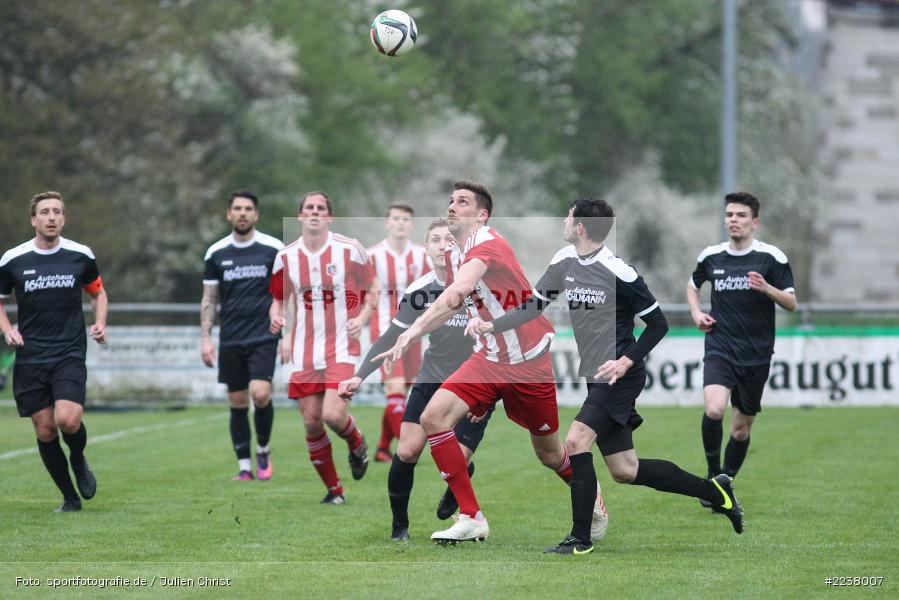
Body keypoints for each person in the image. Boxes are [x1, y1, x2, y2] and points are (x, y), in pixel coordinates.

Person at [468, 198, 744, 555]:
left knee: (576, 440)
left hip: (619, 377)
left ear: (580, 226)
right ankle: (715, 492)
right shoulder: (563, 261)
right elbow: (533, 307)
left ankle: (580, 540)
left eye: (568, 217)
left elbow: (658, 324)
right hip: (595, 376)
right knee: (625, 469)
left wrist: (627, 361)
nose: (564, 222)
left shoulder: (619, 272)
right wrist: (491, 325)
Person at [375, 180, 584, 544]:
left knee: (550, 455)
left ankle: (591, 500)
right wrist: (418, 330)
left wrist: (411, 333)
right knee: (432, 417)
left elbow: (455, 292)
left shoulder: (486, 242)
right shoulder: (457, 252)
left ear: (481, 214)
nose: (452, 206)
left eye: (462, 201)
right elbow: (460, 302)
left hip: (528, 363)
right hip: (490, 357)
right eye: (450, 200)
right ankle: (472, 517)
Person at [339, 218, 493, 541]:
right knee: (407, 451)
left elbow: (499, 341)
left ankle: (462, 487)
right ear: (426, 248)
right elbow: (391, 337)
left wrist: (487, 396)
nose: (442, 245)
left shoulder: (480, 286)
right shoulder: (419, 291)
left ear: (459, 246)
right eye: (435, 240)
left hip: (474, 384)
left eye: (448, 239)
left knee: (456, 459)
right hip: (432, 378)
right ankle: (399, 529)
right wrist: (358, 375)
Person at [0, 191, 107, 512]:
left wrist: (100, 322)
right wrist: (8, 329)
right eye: (44, 212)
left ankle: (77, 457)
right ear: (33, 219)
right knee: (45, 429)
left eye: (56, 212)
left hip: (69, 351)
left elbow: (98, 293)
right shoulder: (12, 259)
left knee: (68, 420)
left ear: (63, 218)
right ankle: (70, 498)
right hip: (31, 356)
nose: (50, 217)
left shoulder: (80, 255)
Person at [687, 192, 796, 503]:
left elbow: (791, 302)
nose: (733, 219)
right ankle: (711, 477)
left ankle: (725, 483)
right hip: (720, 346)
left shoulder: (772, 258)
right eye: (729, 214)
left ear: (755, 222)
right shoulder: (711, 256)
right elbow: (693, 286)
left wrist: (766, 288)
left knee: (740, 430)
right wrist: (697, 313)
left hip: (756, 354)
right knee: (714, 408)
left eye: (740, 215)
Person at [268, 191, 376, 504]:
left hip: (343, 346)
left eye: (321, 208)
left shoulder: (349, 249)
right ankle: (334, 491)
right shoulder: (285, 256)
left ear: (329, 217)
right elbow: (279, 300)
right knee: (311, 420)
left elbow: (373, 290)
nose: (314, 212)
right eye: (309, 208)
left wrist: (364, 318)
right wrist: (279, 324)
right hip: (304, 349)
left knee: (331, 414)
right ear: (300, 216)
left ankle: (356, 442)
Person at [201, 190, 283, 481]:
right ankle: (245, 467)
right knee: (237, 401)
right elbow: (209, 299)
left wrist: (287, 332)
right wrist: (206, 338)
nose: (243, 213)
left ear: (256, 215)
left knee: (260, 394)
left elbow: (286, 293)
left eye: (248, 208)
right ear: (229, 214)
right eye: (237, 208)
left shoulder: (273, 249)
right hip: (231, 338)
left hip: (264, 335)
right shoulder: (216, 253)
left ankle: (262, 448)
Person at [365, 204, 431, 462]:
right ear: (387, 223)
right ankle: (406, 449)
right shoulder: (372, 256)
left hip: (414, 333)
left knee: (403, 392)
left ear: (411, 224)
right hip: (384, 331)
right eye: (396, 219)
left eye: (405, 219)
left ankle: (383, 448)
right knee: (394, 391)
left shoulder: (422, 255)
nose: (400, 223)